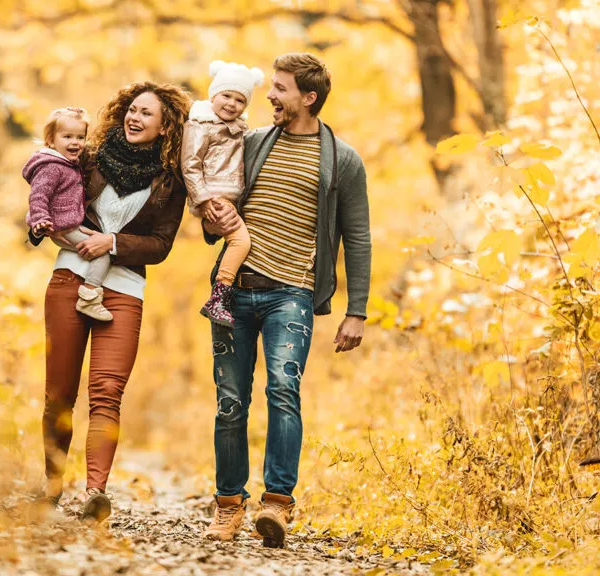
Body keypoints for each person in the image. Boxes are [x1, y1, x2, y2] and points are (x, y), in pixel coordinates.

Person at [200, 53, 371, 548]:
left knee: (282, 390)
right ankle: (228, 506)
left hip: (291, 295)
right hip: (232, 291)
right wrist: (213, 219)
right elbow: (218, 207)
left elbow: (356, 237)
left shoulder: (342, 159)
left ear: (308, 98)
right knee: (230, 402)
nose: (269, 95)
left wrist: (355, 310)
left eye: (279, 88)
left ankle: (277, 504)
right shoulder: (251, 144)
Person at [29, 82, 192, 523]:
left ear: (165, 127)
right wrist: (41, 224)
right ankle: (51, 484)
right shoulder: (90, 157)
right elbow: (48, 184)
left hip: (125, 292)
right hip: (70, 278)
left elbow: (160, 245)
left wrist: (113, 243)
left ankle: (95, 494)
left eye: (146, 115)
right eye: (132, 110)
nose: (134, 118)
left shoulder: (170, 179)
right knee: (59, 393)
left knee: (106, 394)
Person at [181, 60, 265, 327]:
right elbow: (190, 164)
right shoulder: (200, 124)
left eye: (240, 100)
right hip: (214, 196)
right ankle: (220, 296)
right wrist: (202, 199)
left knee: (240, 242)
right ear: (213, 95)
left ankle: (223, 295)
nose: (231, 104)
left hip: (228, 196)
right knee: (242, 242)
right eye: (226, 96)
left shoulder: (239, 128)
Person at [25, 107, 113, 321]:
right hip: (61, 226)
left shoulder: (67, 163)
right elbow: (38, 196)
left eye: (80, 137)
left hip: (70, 225)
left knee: (92, 243)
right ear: (51, 140)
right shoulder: (52, 167)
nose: (75, 142)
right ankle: (89, 297)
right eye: (67, 137)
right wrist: (40, 221)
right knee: (102, 253)